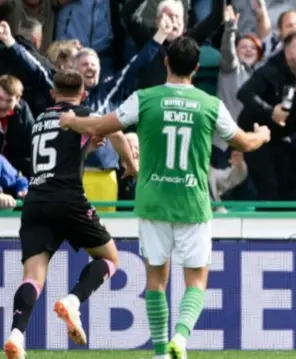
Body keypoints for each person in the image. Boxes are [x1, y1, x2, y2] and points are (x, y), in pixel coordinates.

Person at [58, 36, 271, 359]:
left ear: (165, 62)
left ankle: (160, 352)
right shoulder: (210, 104)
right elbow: (243, 144)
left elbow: (102, 123)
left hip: (153, 201)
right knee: (196, 281)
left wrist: (73, 121)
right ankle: (181, 339)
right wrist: (263, 134)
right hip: (192, 204)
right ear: (197, 68)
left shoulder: (145, 98)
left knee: (156, 280)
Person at [3, 70, 138, 359]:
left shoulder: (39, 120)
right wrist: (130, 164)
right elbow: (114, 130)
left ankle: (16, 334)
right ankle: (74, 300)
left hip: (36, 199)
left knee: (32, 276)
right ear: (83, 94)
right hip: (68, 197)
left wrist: (86, 147)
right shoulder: (82, 113)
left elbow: (56, 158)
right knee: (110, 258)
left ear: (53, 94)